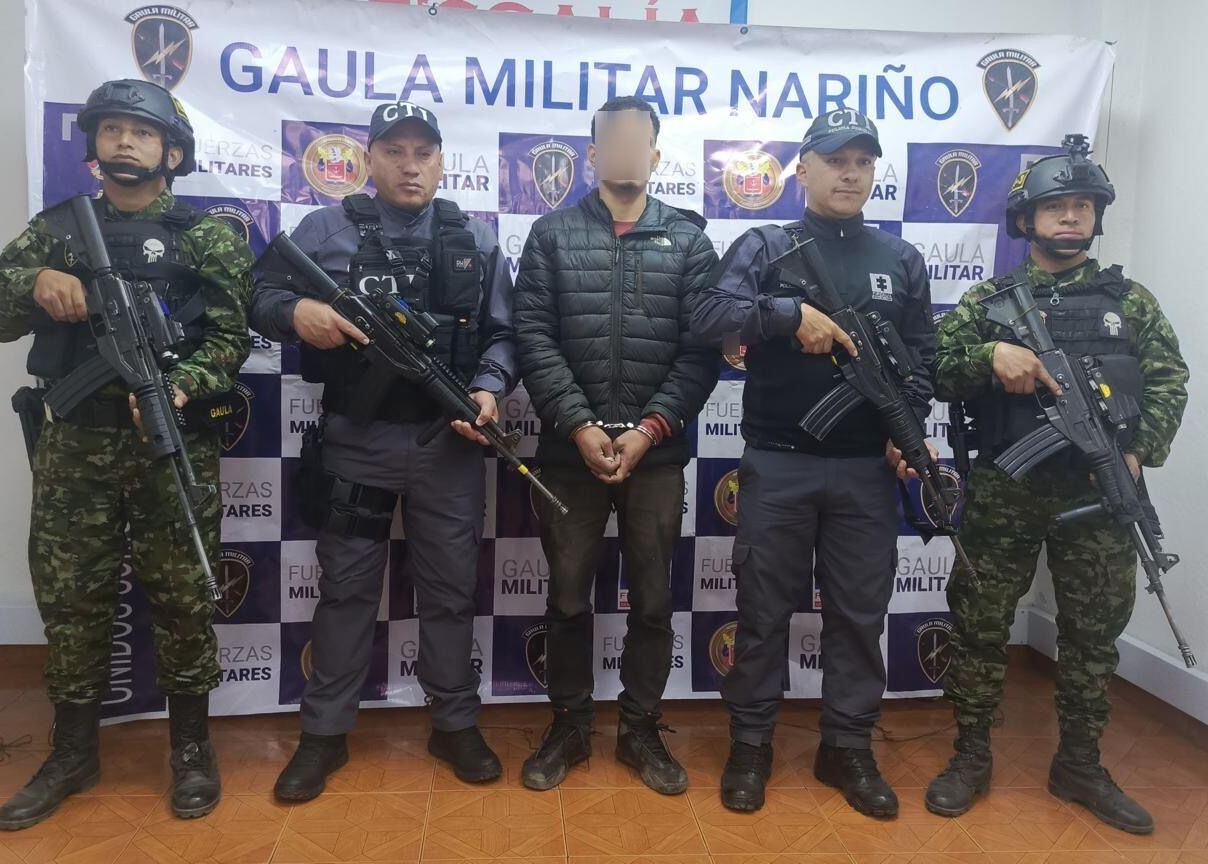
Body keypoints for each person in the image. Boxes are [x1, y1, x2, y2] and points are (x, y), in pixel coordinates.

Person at [0, 79, 252, 828]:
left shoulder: (210, 237)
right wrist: (37, 280)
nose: (125, 142)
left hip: (171, 440)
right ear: (94, 145)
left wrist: (183, 385)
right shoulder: (57, 230)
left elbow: (231, 340)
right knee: (73, 599)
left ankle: (191, 747)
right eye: (111, 130)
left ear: (173, 151)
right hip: (75, 443)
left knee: (185, 596)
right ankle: (72, 751)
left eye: (142, 132)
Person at [251, 100, 518, 801]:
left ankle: (454, 722)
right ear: (369, 158)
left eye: (423, 152)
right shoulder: (325, 229)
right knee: (345, 592)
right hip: (355, 441)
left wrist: (489, 390)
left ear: (440, 160)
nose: (409, 165)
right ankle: (324, 734)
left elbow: (503, 335)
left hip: (448, 445)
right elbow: (260, 295)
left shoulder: (476, 241)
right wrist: (294, 313)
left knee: (451, 593)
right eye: (394, 151)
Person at [925, 136, 1189, 834]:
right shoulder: (991, 298)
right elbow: (940, 371)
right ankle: (971, 756)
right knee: (981, 626)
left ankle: (1079, 763)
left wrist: (1137, 452)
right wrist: (990, 352)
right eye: (1055, 207)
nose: (1070, 218)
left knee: (1093, 635)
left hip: (1098, 497)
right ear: (1027, 220)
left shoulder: (1130, 302)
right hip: (1008, 491)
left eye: (1082, 207)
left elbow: (1170, 380)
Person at [692, 108, 937, 816]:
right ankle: (751, 745)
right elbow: (708, 315)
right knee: (763, 613)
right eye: (835, 159)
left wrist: (906, 425)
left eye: (863, 160)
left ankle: (848, 749)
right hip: (779, 464)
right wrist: (784, 317)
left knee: (860, 617)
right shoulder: (767, 243)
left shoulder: (901, 260)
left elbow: (923, 360)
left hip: (865, 470)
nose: (850, 171)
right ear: (802, 168)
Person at [513, 96, 719, 795]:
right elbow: (533, 339)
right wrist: (578, 423)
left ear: (656, 157)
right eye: (614, 139)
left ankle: (639, 729)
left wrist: (650, 429)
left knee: (655, 602)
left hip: (655, 459)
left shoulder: (690, 241)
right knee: (568, 600)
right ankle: (570, 727)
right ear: (593, 154)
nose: (627, 151)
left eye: (641, 141)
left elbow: (701, 354)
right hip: (569, 457)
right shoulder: (550, 235)